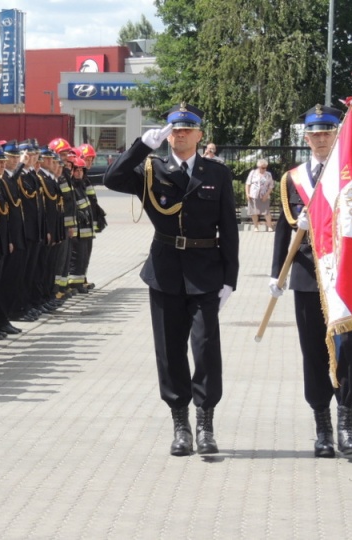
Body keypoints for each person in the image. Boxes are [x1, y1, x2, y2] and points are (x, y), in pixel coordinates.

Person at [104, 103, 239, 456]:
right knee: (169, 351)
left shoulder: (216, 173)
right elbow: (112, 178)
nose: (180, 134)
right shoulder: (152, 169)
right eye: (174, 129)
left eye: (187, 129)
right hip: (164, 271)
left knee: (206, 348)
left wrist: (230, 278)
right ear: (167, 134)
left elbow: (229, 227)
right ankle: (181, 425)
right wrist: (141, 146)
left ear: (199, 134)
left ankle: (205, 423)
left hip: (206, 270)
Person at [269, 105, 352, 458]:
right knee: (313, 353)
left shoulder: (350, 173)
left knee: (346, 351)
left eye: (328, 132)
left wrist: (327, 218)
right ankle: (323, 429)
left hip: (342, 275)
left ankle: (346, 426)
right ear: (306, 137)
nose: (321, 138)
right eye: (315, 133)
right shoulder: (291, 178)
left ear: (336, 136)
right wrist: (275, 274)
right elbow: (284, 230)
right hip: (306, 277)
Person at [246, 159, 274, 231]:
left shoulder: (268, 174)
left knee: (266, 211)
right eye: (262, 167)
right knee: (254, 211)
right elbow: (248, 183)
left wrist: (266, 195)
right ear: (258, 167)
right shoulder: (252, 173)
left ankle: (270, 226)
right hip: (253, 194)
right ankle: (256, 226)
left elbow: (271, 186)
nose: (264, 169)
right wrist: (247, 193)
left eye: (265, 167)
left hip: (264, 195)